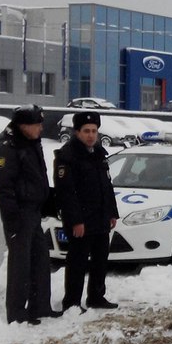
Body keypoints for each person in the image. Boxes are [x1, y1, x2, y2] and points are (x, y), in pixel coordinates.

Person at [0, 104, 54, 325]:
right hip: (19, 214)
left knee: (40, 260)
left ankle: (40, 307)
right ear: (23, 125)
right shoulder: (7, 148)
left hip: (33, 212)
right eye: (37, 125)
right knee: (20, 265)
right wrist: (13, 220)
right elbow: (3, 189)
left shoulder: (30, 142)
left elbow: (37, 176)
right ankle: (17, 313)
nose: (40, 129)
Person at [53, 111, 120, 313]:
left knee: (100, 260)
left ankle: (96, 296)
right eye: (86, 131)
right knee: (77, 262)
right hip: (81, 220)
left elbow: (106, 186)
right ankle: (72, 302)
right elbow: (66, 192)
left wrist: (112, 213)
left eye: (94, 131)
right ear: (77, 132)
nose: (91, 135)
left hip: (100, 217)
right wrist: (75, 221)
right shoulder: (67, 156)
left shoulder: (98, 154)